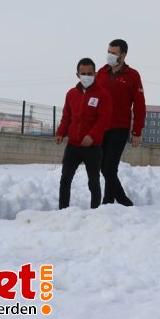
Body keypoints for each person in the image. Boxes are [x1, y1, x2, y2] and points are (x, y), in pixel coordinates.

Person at [55, 58, 112, 210]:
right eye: (83, 73)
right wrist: (61, 132)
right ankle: (63, 210)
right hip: (73, 146)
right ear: (77, 74)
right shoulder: (71, 94)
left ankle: (95, 211)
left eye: (89, 73)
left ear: (95, 73)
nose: (86, 76)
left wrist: (92, 135)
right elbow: (67, 116)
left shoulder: (102, 95)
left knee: (93, 181)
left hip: (92, 147)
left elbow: (104, 120)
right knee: (65, 179)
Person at [95, 39, 146, 206]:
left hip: (120, 127)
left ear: (123, 55)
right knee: (103, 168)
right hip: (101, 127)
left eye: (114, 53)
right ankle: (123, 200)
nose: (110, 55)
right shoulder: (101, 73)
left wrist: (137, 131)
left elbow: (139, 105)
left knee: (110, 167)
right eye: (108, 51)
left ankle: (108, 203)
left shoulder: (132, 75)